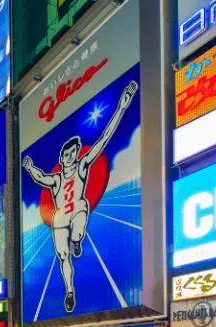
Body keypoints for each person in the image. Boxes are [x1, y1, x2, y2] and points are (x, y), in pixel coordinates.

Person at [22, 81, 139, 313]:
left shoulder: (82, 166)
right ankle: (69, 291)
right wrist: (29, 167)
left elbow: (104, 138)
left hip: (77, 210)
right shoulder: (56, 178)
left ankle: (77, 240)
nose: (70, 156)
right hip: (59, 219)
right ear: (62, 156)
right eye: (67, 154)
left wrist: (122, 108)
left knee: (80, 209)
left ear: (76, 154)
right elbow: (40, 177)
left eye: (73, 153)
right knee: (63, 256)